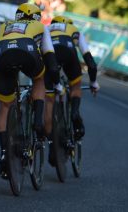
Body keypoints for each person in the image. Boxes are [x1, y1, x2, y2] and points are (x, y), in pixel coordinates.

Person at [0, 3, 63, 179]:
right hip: (27, 52)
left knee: (5, 106)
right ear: (37, 18)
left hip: (4, 56)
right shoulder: (41, 26)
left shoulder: (4, 26)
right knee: (39, 80)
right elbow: (50, 58)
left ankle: (4, 153)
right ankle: (38, 122)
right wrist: (56, 83)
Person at [43, 15, 100, 166]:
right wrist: (94, 82)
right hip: (68, 51)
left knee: (49, 100)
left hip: (50, 54)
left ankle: (51, 146)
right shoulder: (74, 30)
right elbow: (90, 63)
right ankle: (74, 112)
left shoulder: (46, 29)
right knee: (75, 85)